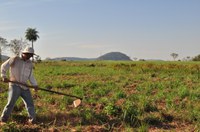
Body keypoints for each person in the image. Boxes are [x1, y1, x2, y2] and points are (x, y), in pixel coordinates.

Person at [0, 47, 38, 124]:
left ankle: (32, 120)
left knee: (30, 103)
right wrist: (3, 76)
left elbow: (31, 76)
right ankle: (3, 119)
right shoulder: (14, 59)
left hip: (24, 86)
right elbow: (3, 66)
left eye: (31, 55)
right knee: (11, 103)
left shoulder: (30, 63)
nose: (30, 57)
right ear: (24, 53)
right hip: (14, 85)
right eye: (29, 55)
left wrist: (35, 85)